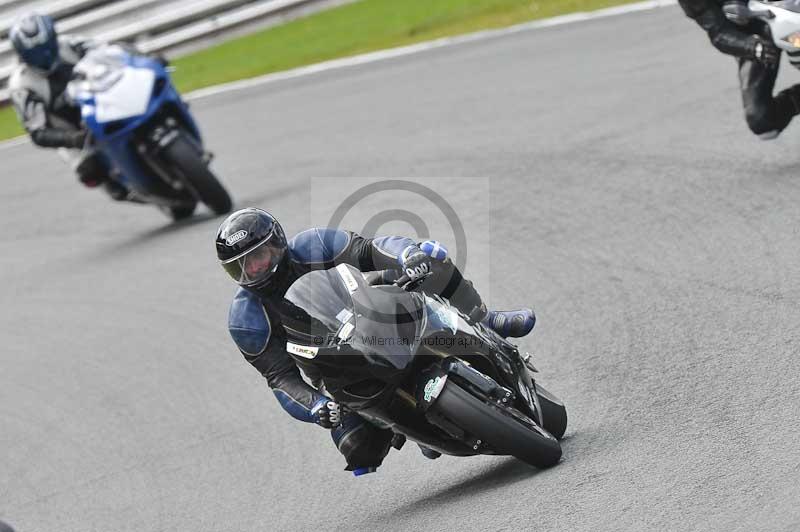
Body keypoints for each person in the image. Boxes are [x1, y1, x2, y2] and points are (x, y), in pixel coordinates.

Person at [216, 208, 536, 475]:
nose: (253, 270)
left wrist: (408, 254)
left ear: (277, 243)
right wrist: (317, 406)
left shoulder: (314, 244)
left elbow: (371, 249)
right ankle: (402, 426)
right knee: (358, 450)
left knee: (430, 255)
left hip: (374, 312)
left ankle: (485, 320)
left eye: (257, 256)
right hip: (331, 368)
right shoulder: (246, 320)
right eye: (239, 268)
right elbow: (280, 378)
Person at [8, 12, 128, 199]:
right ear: (22, 55)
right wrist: (73, 139)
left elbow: (112, 51)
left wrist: (140, 57)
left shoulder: (71, 44)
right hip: (74, 134)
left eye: (46, 48)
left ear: (54, 39)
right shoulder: (22, 85)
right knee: (91, 173)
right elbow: (38, 132)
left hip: (107, 102)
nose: (45, 57)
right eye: (35, 55)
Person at [678, 0, 800, 139]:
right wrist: (753, 47)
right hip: (755, 36)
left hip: (788, 15)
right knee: (762, 121)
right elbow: (719, 33)